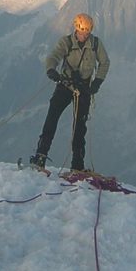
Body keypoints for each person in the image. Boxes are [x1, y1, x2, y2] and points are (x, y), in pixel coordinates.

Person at [30, 13, 110, 172]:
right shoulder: (66, 42)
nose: (84, 36)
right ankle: (41, 156)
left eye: (86, 33)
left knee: (80, 128)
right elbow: (54, 56)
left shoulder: (95, 44)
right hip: (65, 86)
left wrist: (97, 82)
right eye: (82, 33)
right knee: (51, 119)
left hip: (84, 89)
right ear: (76, 30)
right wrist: (51, 70)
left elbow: (104, 62)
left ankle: (77, 166)